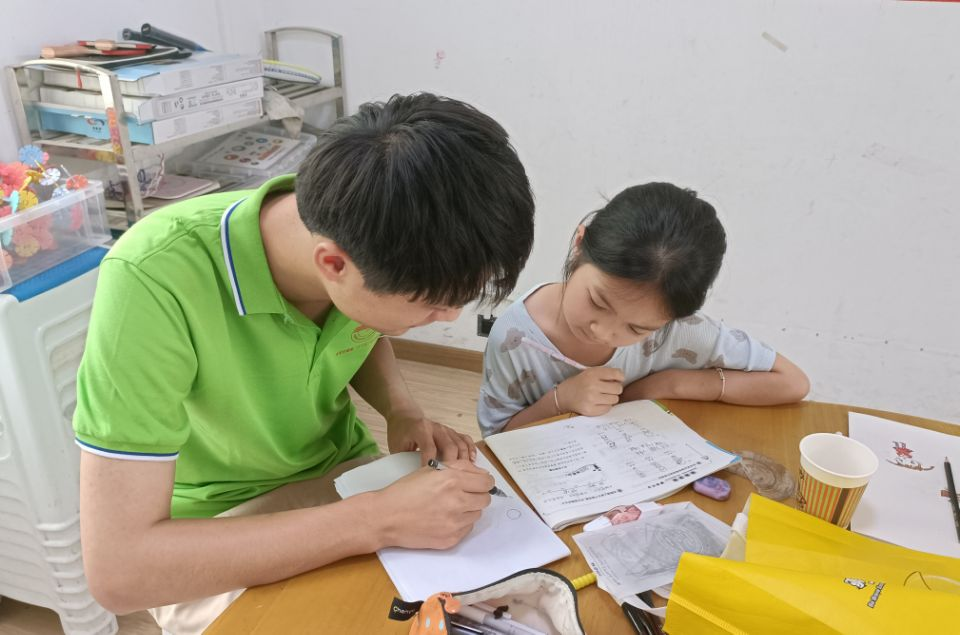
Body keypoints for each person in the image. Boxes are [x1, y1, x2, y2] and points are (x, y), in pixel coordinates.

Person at [73, 93, 535, 632]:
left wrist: (402, 410)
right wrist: (377, 519)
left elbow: (358, 326)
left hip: (345, 476)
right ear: (333, 265)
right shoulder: (153, 279)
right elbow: (121, 571)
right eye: (429, 303)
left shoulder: (361, 229)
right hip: (217, 522)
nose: (448, 316)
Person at [477, 182, 808, 436]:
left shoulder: (680, 332)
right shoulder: (515, 339)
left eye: (637, 329)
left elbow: (792, 382)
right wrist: (560, 400)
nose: (604, 332)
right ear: (579, 244)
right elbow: (496, 440)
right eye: (598, 302)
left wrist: (669, 384)